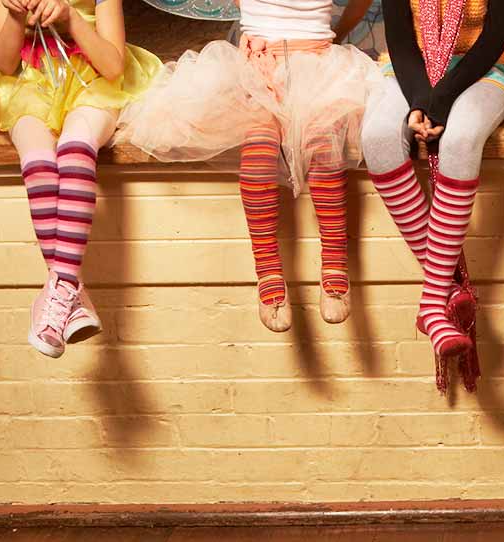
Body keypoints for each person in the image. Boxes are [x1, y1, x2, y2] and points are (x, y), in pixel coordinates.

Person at [118, 0, 380, 333]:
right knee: (258, 149)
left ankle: (335, 263)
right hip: (257, 67)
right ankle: (268, 268)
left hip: (318, 65)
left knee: (324, 146)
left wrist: (340, 30)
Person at [0, 0, 162, 357]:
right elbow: (4, 63)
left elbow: (112, 66)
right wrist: (16, 16)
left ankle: (57, 292)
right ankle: (71, 294)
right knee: (38, 159)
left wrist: (71, 18)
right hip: (29, 85)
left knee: (76, 148)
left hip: (91, 80)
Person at [361, 0, 504, 391]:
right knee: (377, 137)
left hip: (485, 69)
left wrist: (441, 100)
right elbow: (398, 38)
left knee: (461, 140)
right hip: (410, 69)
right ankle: (446, 291)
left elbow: (494, 38)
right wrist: (420, 100)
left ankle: (432, 301)